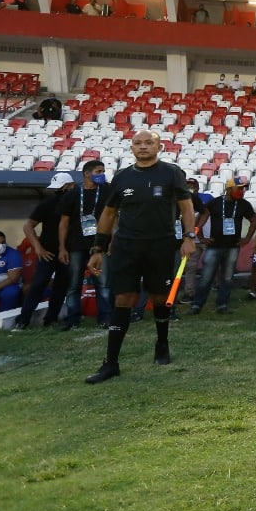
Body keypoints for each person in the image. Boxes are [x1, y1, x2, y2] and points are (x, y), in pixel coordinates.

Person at [83, 129, 197, 384]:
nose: (143, 146)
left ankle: (162, 343)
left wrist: (190, 237)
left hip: (161, 244)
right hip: (127, 246)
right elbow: (109, 214)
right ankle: (111, 363)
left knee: (159, 297)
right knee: (123, 298)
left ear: (159, 147)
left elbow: (185, 206)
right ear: (131, 148)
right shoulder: (122, 177)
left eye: (149, 142)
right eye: (138, 143)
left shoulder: (171, 172)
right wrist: (98, 249)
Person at [12, 172, 77, 330]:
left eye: (62, 188)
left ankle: (51, 319)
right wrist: (38, 248)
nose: (58, 191)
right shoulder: (49, 203)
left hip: (71, 251)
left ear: (71, 186)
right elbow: (28, 226)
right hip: (48, 252)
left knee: (61, 287)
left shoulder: (79, 203)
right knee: (38, 284)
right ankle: (23, 320)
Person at [189, 176, 256, 315]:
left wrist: (247, 238)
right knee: (206, 277)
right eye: (239, 188)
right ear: (229, 188)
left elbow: (254, 221)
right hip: (214, 246)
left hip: (233, 247)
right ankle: (197, 305)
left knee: (227, 278)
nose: (242, 191)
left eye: (244, 188)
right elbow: (201, 217)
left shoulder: (244, 204)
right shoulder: (214, 203)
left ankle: (222, 304)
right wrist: (201, 237)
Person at [57, 160, 112, 330]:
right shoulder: (72, 194)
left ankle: (105, 318)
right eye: (98, 171)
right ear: (87, 174)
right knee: (74, 284)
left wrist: (112, 242)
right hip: (75, 245)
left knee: (103, 283)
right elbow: (64, 223)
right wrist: (62, 247)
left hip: (100, 245)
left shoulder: (107, 192)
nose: (101, 174)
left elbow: (114, 218)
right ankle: (72, 319)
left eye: (103, 171)